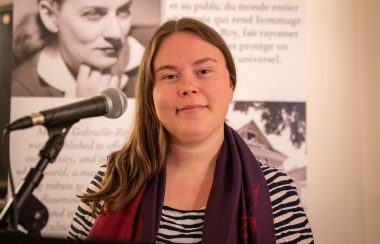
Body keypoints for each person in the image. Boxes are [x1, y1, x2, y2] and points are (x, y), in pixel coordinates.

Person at [68, 18, 314, 243]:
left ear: (231, 84)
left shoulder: (277, 192)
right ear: (150, 94)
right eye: (170, 75)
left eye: (204, 71)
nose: (188, 86)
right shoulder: (113, 181)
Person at [11, 0, 144, 97]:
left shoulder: (153, 61)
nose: (116, 33)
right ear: (51, 16)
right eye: (94, 13)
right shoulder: (21, 89)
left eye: (123, 11)